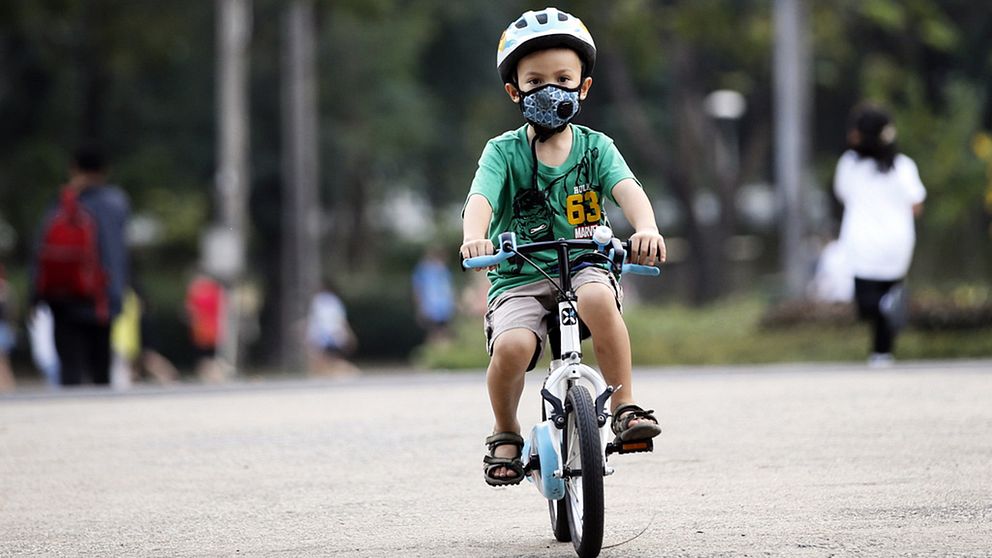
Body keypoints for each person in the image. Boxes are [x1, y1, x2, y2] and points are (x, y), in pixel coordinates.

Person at [461, 7, 665, 486]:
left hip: (586, 264)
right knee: (511, 347)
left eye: (562, 77)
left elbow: (628, 190)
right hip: (520, 273)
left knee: (597, 297)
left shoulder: (597, 148)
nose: (549, 89)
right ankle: (505, 431)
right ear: (515, 91)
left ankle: (625, 406)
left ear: (583, 86)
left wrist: (647, 227)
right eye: (534, 80)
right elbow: (481, 199)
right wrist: (475, 236)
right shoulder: (502, 151)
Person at [834, 103, 926, 367]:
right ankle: (882, 354)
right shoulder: (904, 166)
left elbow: (842, 194)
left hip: (864, 243)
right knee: (889, 297)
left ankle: (885, 322)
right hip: (899, 243)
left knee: (868, 304)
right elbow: (917, 205)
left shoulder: (849, 165)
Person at [31, 144, 130, 386]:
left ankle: (69, 414)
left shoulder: (62, 202)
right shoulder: (115, 202)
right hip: (101, 298)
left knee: (70, 366)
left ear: (73, 168)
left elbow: (40, 249)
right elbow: (116, 253)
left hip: (63, 297)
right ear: (106, 170)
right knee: (100, 368)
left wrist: (35, 295)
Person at [305, 280, 358, 377]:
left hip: (324, 334)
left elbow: (317, 320)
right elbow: (340, 319)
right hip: (333, 333)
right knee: (326, 359)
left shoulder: (319, 301)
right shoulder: (333, 300)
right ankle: (342, 371)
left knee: (322, 358)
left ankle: (347, 371)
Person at [185, 271, 226, 382]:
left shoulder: (196, 292)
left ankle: (210, 375)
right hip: (215, 329)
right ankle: (215, 375)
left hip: (201, 330)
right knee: (210, 355)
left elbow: (190, 312)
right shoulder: (216, 291)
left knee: (203, 356)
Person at [411, 249, 456, 344]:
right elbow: (418, 289)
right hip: (431, 307)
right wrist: (420, 307)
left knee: (443, 331)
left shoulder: (445, 271)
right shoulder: (424, 271)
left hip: (445, 307)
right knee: (433, 331)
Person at [0, 264, 16, 393]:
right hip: (4, 328)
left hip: (3, 328)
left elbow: (10, 311)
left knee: (3, 360)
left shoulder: (5, 288)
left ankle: (8, 386)